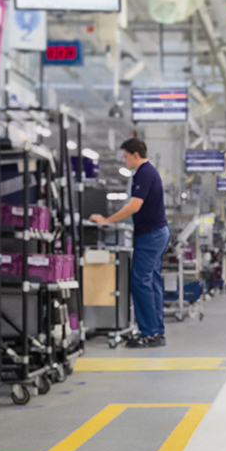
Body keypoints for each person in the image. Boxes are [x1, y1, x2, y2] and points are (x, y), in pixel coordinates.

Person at [89, 138, 170, 348]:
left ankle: (149, 333)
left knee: (140, 282)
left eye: (125, 156)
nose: (124, 160)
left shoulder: (144, 173)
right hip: (156, 232)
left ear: (135, 155)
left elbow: (134, 206)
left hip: (151, 234)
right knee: (151, 281)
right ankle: (156, 331)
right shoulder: (146, 172)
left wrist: (107, 220)